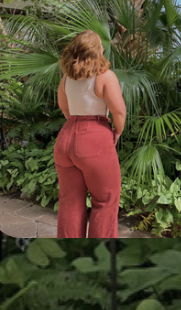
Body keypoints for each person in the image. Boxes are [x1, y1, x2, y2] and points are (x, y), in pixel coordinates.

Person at [54, 29, 125, 238]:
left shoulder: (66, 78)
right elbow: (119, 111)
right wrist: (117, 131)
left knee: (70, 202)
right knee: (105, 200)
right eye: (101, 45)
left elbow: (64, 108)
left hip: (66, 138)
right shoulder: (105, 77)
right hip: (95, 138)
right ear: (95, 51)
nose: (103, 48)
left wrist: (76, 127)